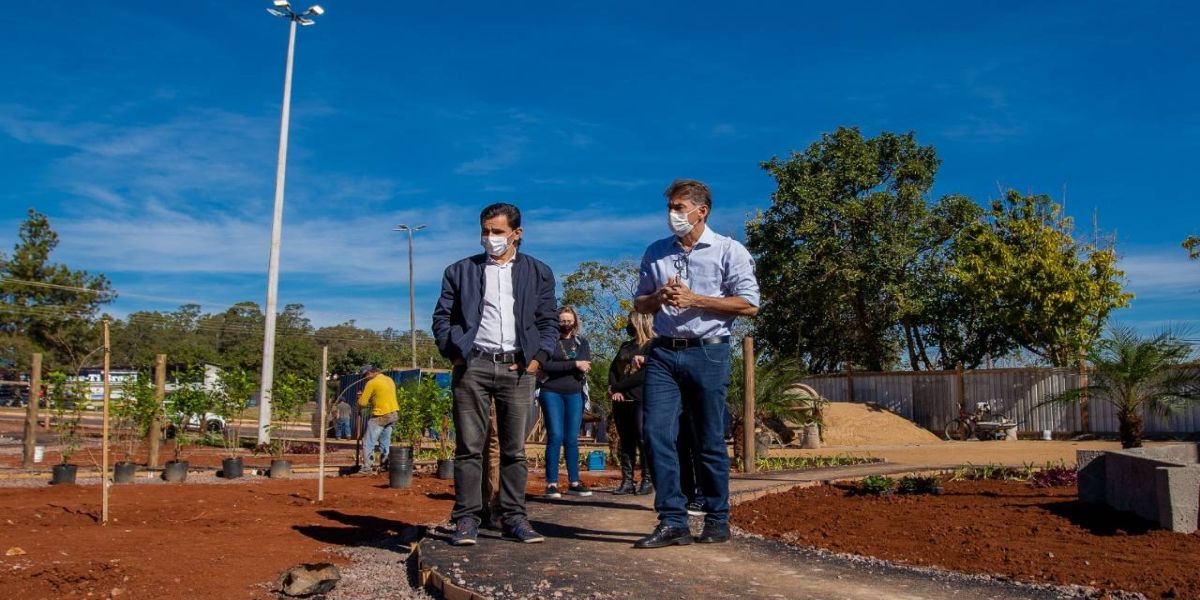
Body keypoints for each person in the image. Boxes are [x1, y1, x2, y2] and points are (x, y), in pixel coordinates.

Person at [632, 179, 760, 549]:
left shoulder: (728, 250)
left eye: (679, 207)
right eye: (670, 208)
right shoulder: (656, 252)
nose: (673, 215)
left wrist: (695, 299)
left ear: (701, 211)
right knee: (655, 433)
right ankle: (672, 520)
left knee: (707, 438)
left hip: (709, 350)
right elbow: (640, 304)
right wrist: (658, 296)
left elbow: (749, 304)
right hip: (663, 352)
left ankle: (717, 519)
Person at [432, 202, 558, 546]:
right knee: (469, 448)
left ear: (517, 234)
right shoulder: (459, 271)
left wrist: (537, 359)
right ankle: (467, 519)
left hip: (518, 368)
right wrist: (456, 354)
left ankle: (514, 517)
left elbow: (548, 320)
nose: (490, 238)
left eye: (498, 232)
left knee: (514, 450)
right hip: (473, 365)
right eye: (485, 231)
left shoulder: (539, 272)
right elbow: (442, 318)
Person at [537, 306, 594, 498]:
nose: (566, 325)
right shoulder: (548, 342)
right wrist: (573, 364)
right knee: (555, 435)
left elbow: (585, 365)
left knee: (571, 438)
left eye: (569, 321)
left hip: (575, 393)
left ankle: (574, 481)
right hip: (551, 391)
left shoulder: (581, 342)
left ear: (575, 322)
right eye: (562, 321)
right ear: (556, 322)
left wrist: (570, 366)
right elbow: (545, 365)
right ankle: (552, 483)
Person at [608, 311, 654, 496]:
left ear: (640, 322)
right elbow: (613, 368)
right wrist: (614, 388)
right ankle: (627, 481)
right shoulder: (626, 346)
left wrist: (620, 386)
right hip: (621, 400)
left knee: (642, 439)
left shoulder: (652, 346)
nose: (628, 324)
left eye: (631, 321)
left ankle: (647, 479)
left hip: (641, 398)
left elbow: (644, 375)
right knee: (625, 441)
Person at [356, 365, 399, 474]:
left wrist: (359, 398)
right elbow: (381, 395)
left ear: (371, 373)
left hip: (381, 415)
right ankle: (385, 465)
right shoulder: (389, 379)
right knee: (385, 441)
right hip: (393, 414)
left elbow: (362, 403)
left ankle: (367, 468)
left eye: (366, 375)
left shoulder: (371, 383)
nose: (365, 377)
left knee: (368, 441)